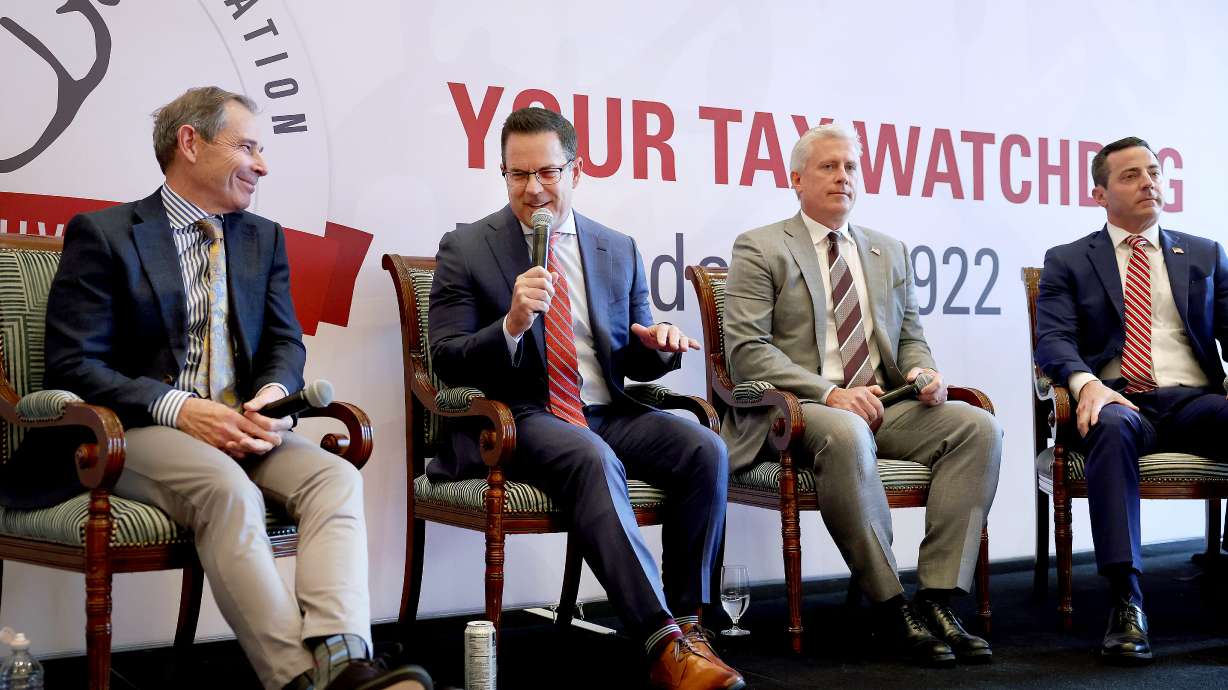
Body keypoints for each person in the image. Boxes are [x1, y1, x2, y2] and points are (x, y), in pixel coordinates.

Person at [31, 86, 431, 690]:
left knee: (335, 477)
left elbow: (283, 340)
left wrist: (274, 392)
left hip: (242, 427)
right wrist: (180, 408)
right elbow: (73, 364)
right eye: (247, 146)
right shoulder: (107, 234)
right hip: (132, 431)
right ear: (189, 143)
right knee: (226, 490)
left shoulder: (260, 238)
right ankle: (295, 680)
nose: (263, 165)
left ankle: (343, 661)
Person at [428, 107, 742, 690]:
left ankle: (692, 624)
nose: (533, 189)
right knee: (591, 458)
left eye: (547, 172)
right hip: (521, 416)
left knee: (705, 449)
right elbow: (444, 358)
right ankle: (661, 643)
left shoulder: (615, 247)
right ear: (502, 173)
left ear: (577, 170)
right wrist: (513, 325)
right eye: (517, 175)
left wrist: (660, 345)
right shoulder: (467, 247)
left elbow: (636, 352)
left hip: (608, 409)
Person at [721, 123, 1002, 667]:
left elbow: (911, 338)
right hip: (797, 413)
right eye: (829, 167)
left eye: (851, 167)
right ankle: (890, 604)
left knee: (978, 427)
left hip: (884, 405)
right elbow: (747, 353)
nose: (843, 177)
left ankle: (940, 599)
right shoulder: (760, 246)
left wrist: (924, 373)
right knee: (847, 429)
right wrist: (829, 393)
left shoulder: (888, 251)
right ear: (796, 178)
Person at [1035, 136, 1228, 664]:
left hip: (1195, 400)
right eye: (1131, 176)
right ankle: (1127, 601)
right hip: (1119, 400)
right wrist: (1085, 383)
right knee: (1112, 427)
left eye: (1154, 172)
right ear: (1099, 193)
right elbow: (1052, 340)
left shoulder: (1206, 253)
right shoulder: (1069, 260)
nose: (1149, 182)